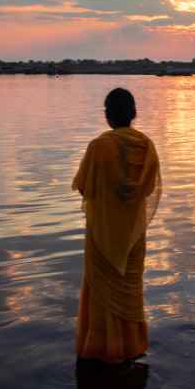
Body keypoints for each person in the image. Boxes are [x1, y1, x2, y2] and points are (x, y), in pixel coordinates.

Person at [72, 88, 161, 365]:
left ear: (108, 115)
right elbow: (147, 188)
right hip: (132, 235)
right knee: (129, 287)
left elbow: (83, 186)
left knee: (101, 291)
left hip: (103, 234)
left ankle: (101, 348)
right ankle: (131, 347)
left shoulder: (100, 146)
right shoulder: (146, 146)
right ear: (133, 113)